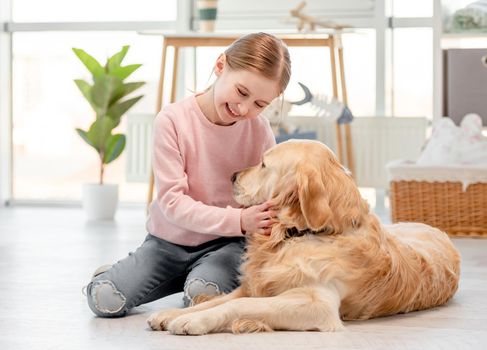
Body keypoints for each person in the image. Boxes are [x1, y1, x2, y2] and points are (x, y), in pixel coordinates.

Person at [85, 32, 292, 317]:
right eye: (242, 92)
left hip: (228, 246)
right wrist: (239, 219)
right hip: (167, 243)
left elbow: (272, 193)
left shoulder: (259, 130)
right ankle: (140, 275)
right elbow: (172, 203)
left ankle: (191, 280)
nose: (244, 109)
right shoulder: (172, 120)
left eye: (260, 104)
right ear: (221, 66)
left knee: (201, 299)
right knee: (104, 299)